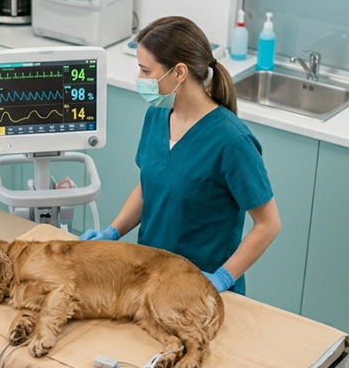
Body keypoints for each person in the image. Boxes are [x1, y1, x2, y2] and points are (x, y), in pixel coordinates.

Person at [81, 16, 281, 295]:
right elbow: (149, 185)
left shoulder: (232, 141)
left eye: (146, 71)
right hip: (149, 278)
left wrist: (223, 278)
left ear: (179, 72)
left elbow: (268, 223)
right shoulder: (157, 115)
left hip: (202, 290)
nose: (140, 79)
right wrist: (112, 232)